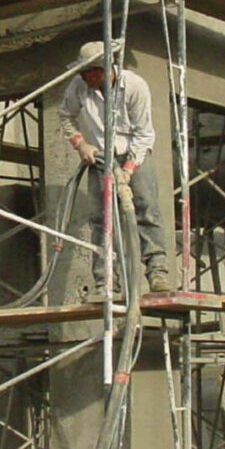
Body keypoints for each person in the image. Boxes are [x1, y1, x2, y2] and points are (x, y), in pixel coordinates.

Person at [57, 41, 173, 295]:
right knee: (101, 220)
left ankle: (157, 272)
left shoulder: (134, 86)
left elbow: (144, 134)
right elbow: (65, 115)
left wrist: (129, 168)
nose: (85, 77)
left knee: (146, 210)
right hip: (100, 159)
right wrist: (81, 144)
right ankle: (105, 281)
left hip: (133, 155)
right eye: (82, 72)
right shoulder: (79, 87)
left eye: (90, 72)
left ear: (105, 69)